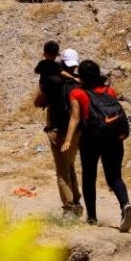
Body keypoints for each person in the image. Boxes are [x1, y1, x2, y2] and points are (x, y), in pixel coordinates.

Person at [62, 60, 131, 232]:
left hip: (90, 140)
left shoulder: (78, 93)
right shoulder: (110, 90)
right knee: (115, 177)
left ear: (83, 76)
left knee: (89, 177)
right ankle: (125, 205)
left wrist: (68, 140)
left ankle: (92, 218)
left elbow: (75, 118)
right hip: (113, 140)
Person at [34, 41, 83, 216]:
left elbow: (38, 102)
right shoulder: (79, 83)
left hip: (58, 130)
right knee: (69, 165)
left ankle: (70, 208)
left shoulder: (53, 81)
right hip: (77, 132)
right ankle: (77, 200)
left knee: (62, 171)